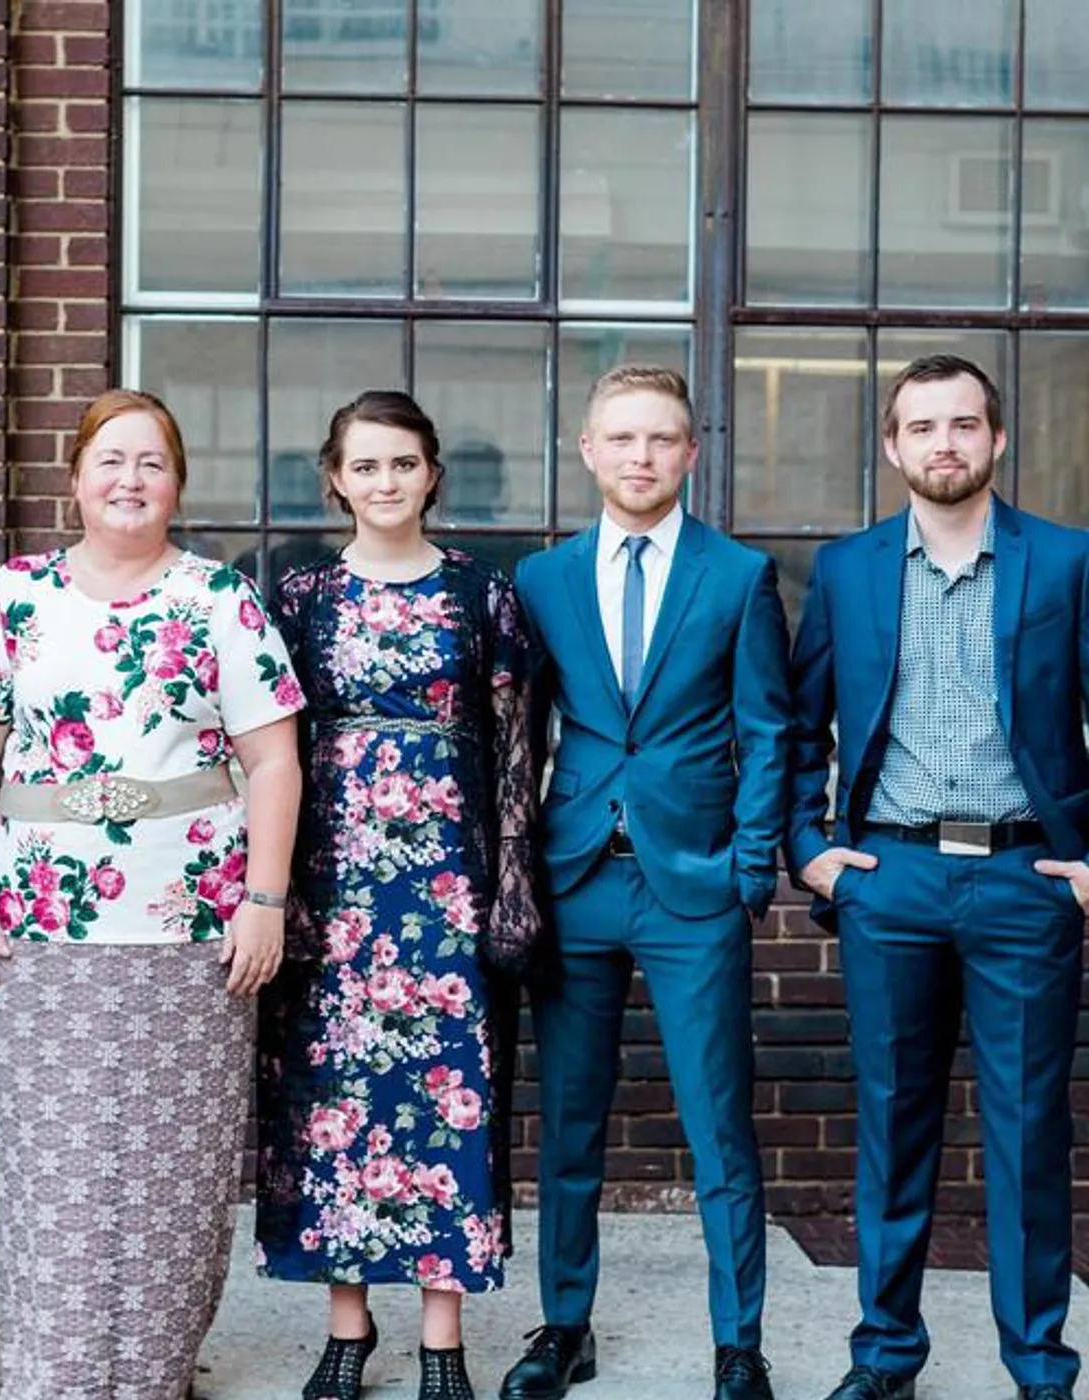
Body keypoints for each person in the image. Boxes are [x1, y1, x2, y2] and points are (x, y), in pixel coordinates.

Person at [0, 388, 302, 1400]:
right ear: (75, 479)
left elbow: (272, 760)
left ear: (177, 482)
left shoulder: (220, 599)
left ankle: (148, 1368)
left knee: (170, 1164)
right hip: (41, 921)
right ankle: (51, 1369)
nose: (129, 478)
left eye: (150, 461)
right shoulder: (16, 595)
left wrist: (262, 900)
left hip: (192, 922)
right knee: (54, 1156)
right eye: (110, 459)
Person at [788, 354, 1088, 1400]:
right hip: (892, 875)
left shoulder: (1062, 562)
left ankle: (1039, 1364)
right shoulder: (847, 568)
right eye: (921, 427)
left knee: (1025, 1132)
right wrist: (810, 848)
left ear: (996, 441)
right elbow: (796, 717)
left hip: (1023, 878)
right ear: (892, 445)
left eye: (962, 424)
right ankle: (883, 1357)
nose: (942, 443)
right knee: (893, 1122)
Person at [507, 366, 790, 1400]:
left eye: (659, 439)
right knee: (567, 1119)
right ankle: (561, 1325)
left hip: (693, 885)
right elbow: (517, 735)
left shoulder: (736, 575)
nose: (639, 456)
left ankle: (737, 1341)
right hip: (573, 875)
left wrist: (746, 868)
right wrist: (515, 866)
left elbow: (768, 730)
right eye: (620, 438)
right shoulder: (540, 580)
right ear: (586, 450)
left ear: (688, 452)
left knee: (718, 1123)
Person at [255, 390, 541, 1400]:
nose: (384, 482)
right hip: (330, 885)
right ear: (334, 478)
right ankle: (345, 1324)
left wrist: (511, 884)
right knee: (330, 1105)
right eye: (364, 465)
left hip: (444, 891)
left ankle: (440, 1336)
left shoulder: (481, 593)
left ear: (431, 476)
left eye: (402, 464)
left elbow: (512, 743)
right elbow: (266, 748)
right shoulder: (296, 596)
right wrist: (274, 888)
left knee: (444, 1107)